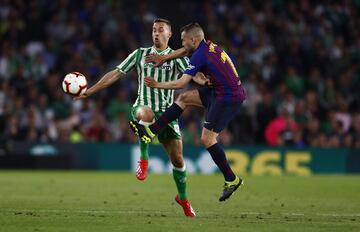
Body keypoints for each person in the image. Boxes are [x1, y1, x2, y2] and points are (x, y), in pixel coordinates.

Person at [75, 18, 200, 217]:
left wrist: (209, 78)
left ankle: (183, 199)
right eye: (154, 30)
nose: (156, 33)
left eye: (161, 30)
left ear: (169, 35)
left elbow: (195, 76)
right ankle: (144, 159)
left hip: (167, 115)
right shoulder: (140, 54)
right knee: (146, 114)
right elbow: (116, 73)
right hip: (142, 107)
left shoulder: (176, 58)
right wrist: (90, 91)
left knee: (178, 160)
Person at [129, 22, 246, 202]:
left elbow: (180, 83)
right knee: (183, 99)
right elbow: (185, 51)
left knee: (207, 139)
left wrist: (156, 84)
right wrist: (164, 59)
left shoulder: (199, 55)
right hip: (219, 90)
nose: (182, 44)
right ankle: (150, 132)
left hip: (228, 97)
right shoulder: (206, 46)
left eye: (183, 40)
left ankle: (231, 179)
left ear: (193, 39)